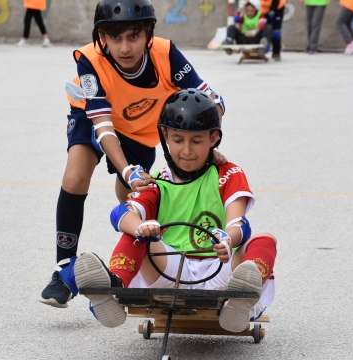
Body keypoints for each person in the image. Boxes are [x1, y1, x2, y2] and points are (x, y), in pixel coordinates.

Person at [38, 0, 226, 309]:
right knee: (75, 175)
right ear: (103, 38)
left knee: (132, 201)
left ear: (148, 34)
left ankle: (137, 268)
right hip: (93, 118)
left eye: (133, 36)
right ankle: (64, 270)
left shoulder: (166, 54)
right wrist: (127, 169)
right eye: (115, 38)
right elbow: (102, 124)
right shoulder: (88, 61)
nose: (124, 47)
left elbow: (210, 102)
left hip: (138, 128)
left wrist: (210, 147)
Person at [69, 89, 277, 332]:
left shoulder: (228, 173)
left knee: (265, 240)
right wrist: (141, 227)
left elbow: (239, 222)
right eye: (178, 140)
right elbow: (120, 214)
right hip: (169, 270)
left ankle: (241, 300)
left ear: (213, 139)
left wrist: (227, 238)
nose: (187, 150)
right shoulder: (158, 182)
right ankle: (113, 291)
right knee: (136, 235)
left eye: (197, 141)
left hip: (220, 270)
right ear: (165, 136)